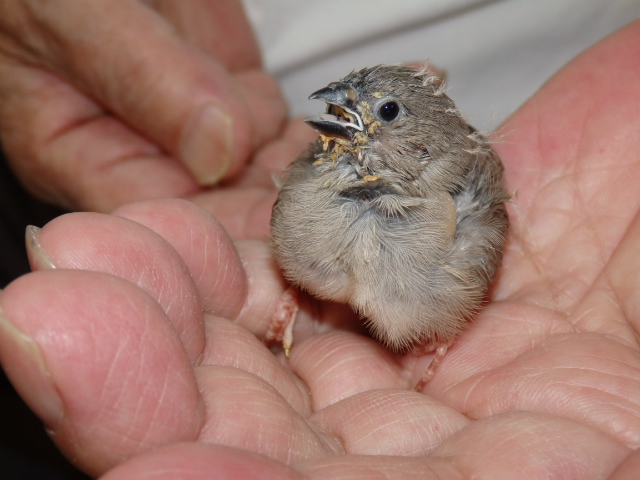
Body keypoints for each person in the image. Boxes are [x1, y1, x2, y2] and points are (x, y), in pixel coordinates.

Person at [0, 2, 640, 479]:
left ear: (418, 134)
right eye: (347, 107)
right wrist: (294, 295)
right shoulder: (318, 176)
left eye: (381, 112)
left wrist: (441, 342)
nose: (341, 117)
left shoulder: (461, 204)